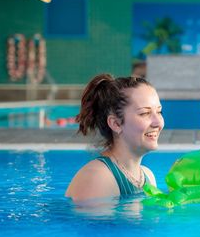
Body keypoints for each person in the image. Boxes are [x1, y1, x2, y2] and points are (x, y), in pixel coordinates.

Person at [65, 74, 163, 203]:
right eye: (145, 113)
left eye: (159, 112)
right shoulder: (98, 178)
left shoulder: (147, 176)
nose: (158, 123)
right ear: (116, 124)